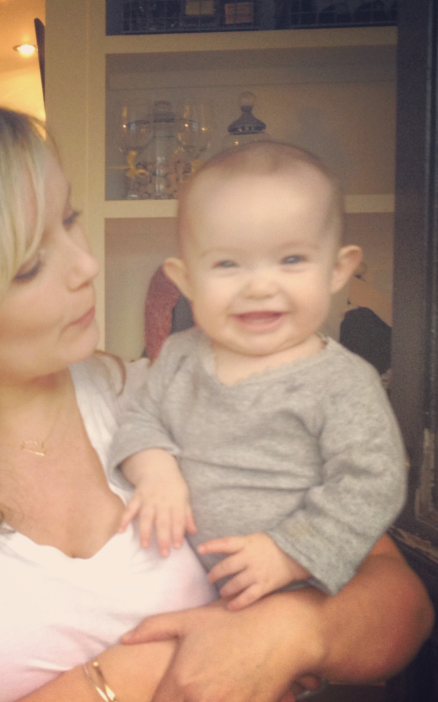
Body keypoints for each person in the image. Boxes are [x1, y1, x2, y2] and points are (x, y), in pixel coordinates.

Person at [0, 98, 432, 702]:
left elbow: (397, 600)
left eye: (69, 219)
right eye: (29, 264)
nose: (84, 266)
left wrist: (285, 632)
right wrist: (138, 673)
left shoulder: (172, 397)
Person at [112, 142, 407, 611]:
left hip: (297, 595)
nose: (259, 286)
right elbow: (139, 419)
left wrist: (291, 553)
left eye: (291, 260)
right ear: (186, 280)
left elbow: (373, 482)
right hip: (191, 591)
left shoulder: (342, 382)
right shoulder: (179, 356)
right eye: (227, 263)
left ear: (338, 271)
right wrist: (155, 470)